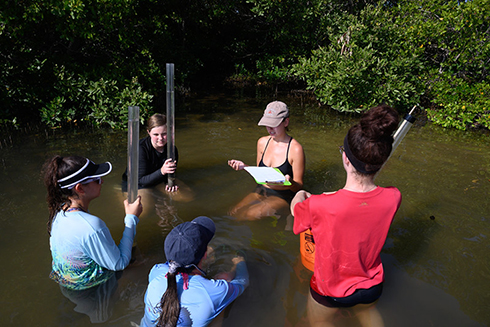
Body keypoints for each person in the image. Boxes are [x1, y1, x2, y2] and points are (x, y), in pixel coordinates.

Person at [290, 104, 402, 327]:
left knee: (317, 322)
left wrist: (301, 194)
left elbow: (297, 215)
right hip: (371, 286)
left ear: (346, 159)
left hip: (331, 289)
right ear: (380, 163)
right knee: (368, 313)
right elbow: (360, 207)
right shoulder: (394, 196)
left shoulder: (319, 204)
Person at [42, 155, 143, 291]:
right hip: (93, 291)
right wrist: (131, 218)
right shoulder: (91, 225)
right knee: (142, 264)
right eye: (96, 180)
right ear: (80, 188)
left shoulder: (59, 211)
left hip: (68, 284)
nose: (102, 182)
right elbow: (119, 264)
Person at [140, 216, 249, 327]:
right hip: (209, 293)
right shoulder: (214, 291)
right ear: (205, 254)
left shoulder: (156, 271)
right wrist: (239, 263)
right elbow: (243, 282)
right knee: (222, 298)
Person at [228, 101, 305, 220]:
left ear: (286, 122)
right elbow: (260, 174)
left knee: (250, 214)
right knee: (234, 213)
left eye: (274, 124)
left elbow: (299, 187)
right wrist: (244, 167)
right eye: (267, 124)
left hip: (282, 195)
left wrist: (289, 183)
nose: (269, 128)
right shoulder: (262, 142)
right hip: (260, 189)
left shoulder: (295, 149)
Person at [122, 113, 193, 217]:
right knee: (143, 211)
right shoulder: (140, 149)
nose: (161, 138)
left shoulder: (172, 149)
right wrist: (162, 171)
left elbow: (172, 172)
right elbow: (140, 180)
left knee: (188, 197)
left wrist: (171, 182)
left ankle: (158, 197)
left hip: (159, 179)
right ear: (148, 132)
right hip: (138, 185)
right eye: (156, 134)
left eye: (164, 134)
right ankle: (119, 192)